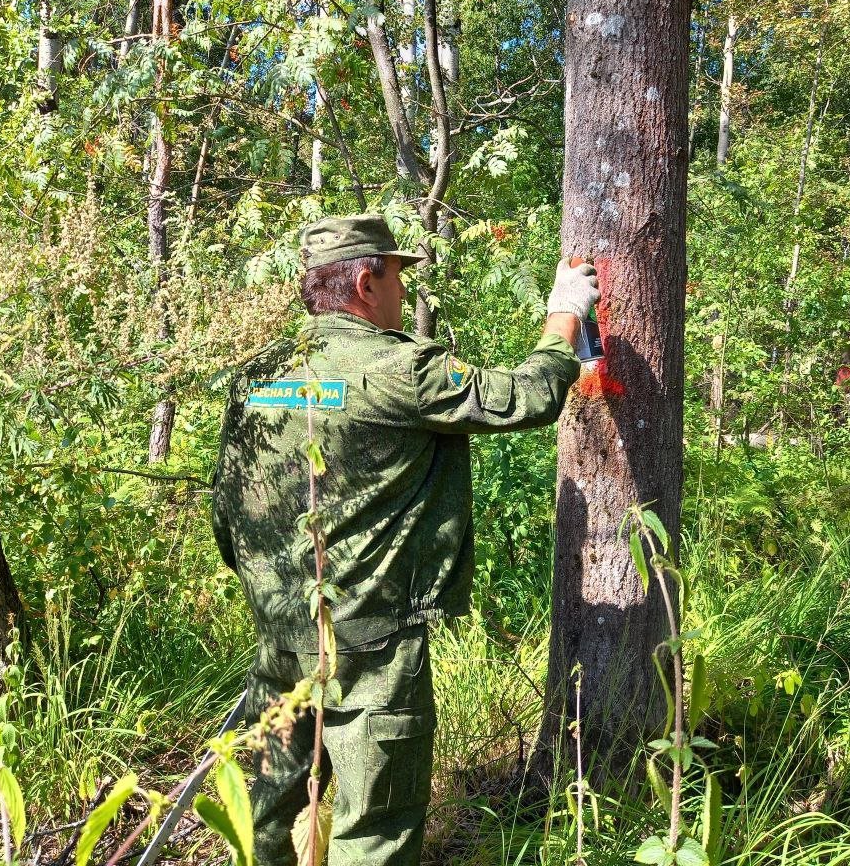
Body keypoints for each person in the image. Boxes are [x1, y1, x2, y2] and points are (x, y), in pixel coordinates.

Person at [210, 213, 600, 865]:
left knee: (260, 813)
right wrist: (564, 317)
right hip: (370, 652)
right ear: (367, 280)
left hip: (282, 638)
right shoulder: (397, 369)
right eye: (397, 276)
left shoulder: (257, 373)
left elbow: (226, 503)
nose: (402, 292)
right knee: (375, 831)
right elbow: (525, 397)